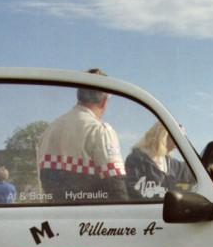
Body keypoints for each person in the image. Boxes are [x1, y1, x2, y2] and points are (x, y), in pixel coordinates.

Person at [37, 68, 127, 203]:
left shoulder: (51, 129)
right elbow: (116, 186)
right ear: (104, 101)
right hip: (93, 220)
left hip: (56, 217)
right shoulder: (99, 131)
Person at [125, 122, 192, 200]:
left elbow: (193, 171)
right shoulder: (136, 160)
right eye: (176, 139)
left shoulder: (170, 163)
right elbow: (134, 193)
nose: (177, 146)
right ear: (163, 137)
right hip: (147, 210)